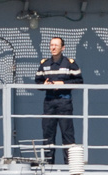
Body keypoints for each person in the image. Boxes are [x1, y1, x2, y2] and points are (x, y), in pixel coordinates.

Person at [34, 36, 81, 165]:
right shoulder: (45, 64)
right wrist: (43, 85)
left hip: (64, 102)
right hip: (49, 102)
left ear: (63, 48)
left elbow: (79, 81)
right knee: (48, 135)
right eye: (51, 45)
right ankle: (48, 168)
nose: (53, 48)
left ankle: (69, 167)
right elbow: (37, 82)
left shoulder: (69, 63)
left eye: (56, 45)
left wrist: (63, 83)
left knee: (67, 135)